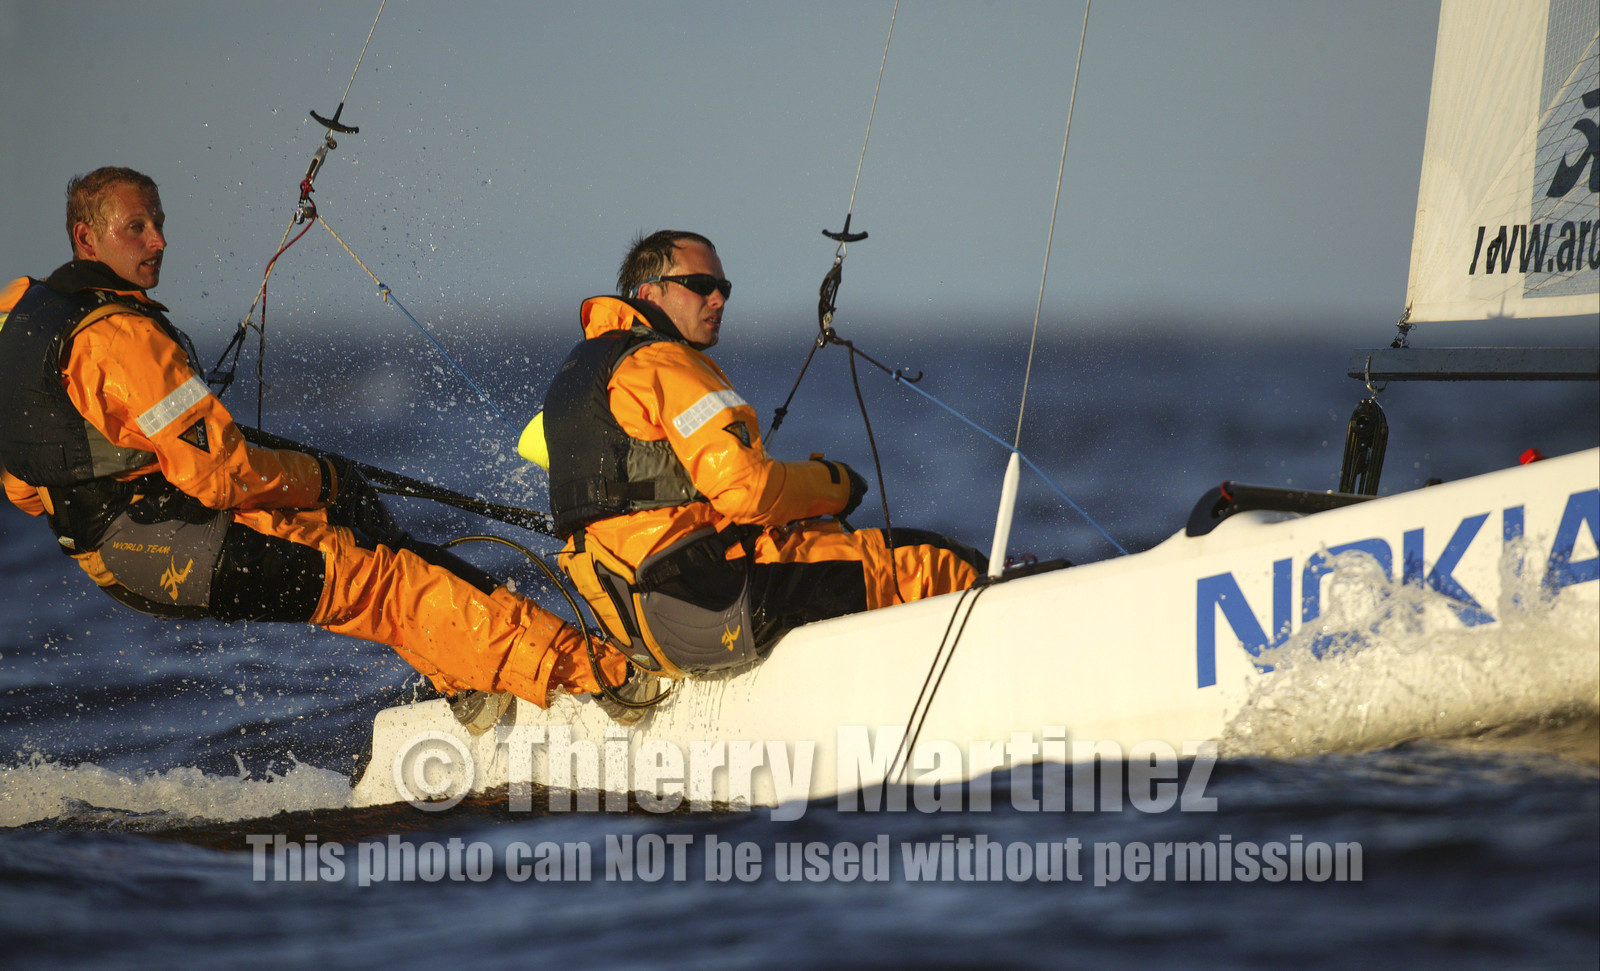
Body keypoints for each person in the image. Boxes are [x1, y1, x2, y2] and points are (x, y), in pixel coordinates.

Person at [0, 166, 629, 732]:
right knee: (385, 582)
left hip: (122, 542)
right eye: (136, 227)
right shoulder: (121, 336)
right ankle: (603, 680)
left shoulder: (24, 314)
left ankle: (472, 683)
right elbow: (222, 477)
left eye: (159, 223)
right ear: (87, 238)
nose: (158, 241)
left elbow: (24, 488)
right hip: (169, 540)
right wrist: (323, 478)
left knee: (366, 539)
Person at [529, 230, 985, 680]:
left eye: (723, 288)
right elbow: (748, 491)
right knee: (934, 561)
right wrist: (834, 485)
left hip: (638, 623)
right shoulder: (662, 364)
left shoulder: (584, 375)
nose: (718, 300)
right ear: (650, 292)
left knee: (820, 547)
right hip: (713, 598)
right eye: (701, 286)